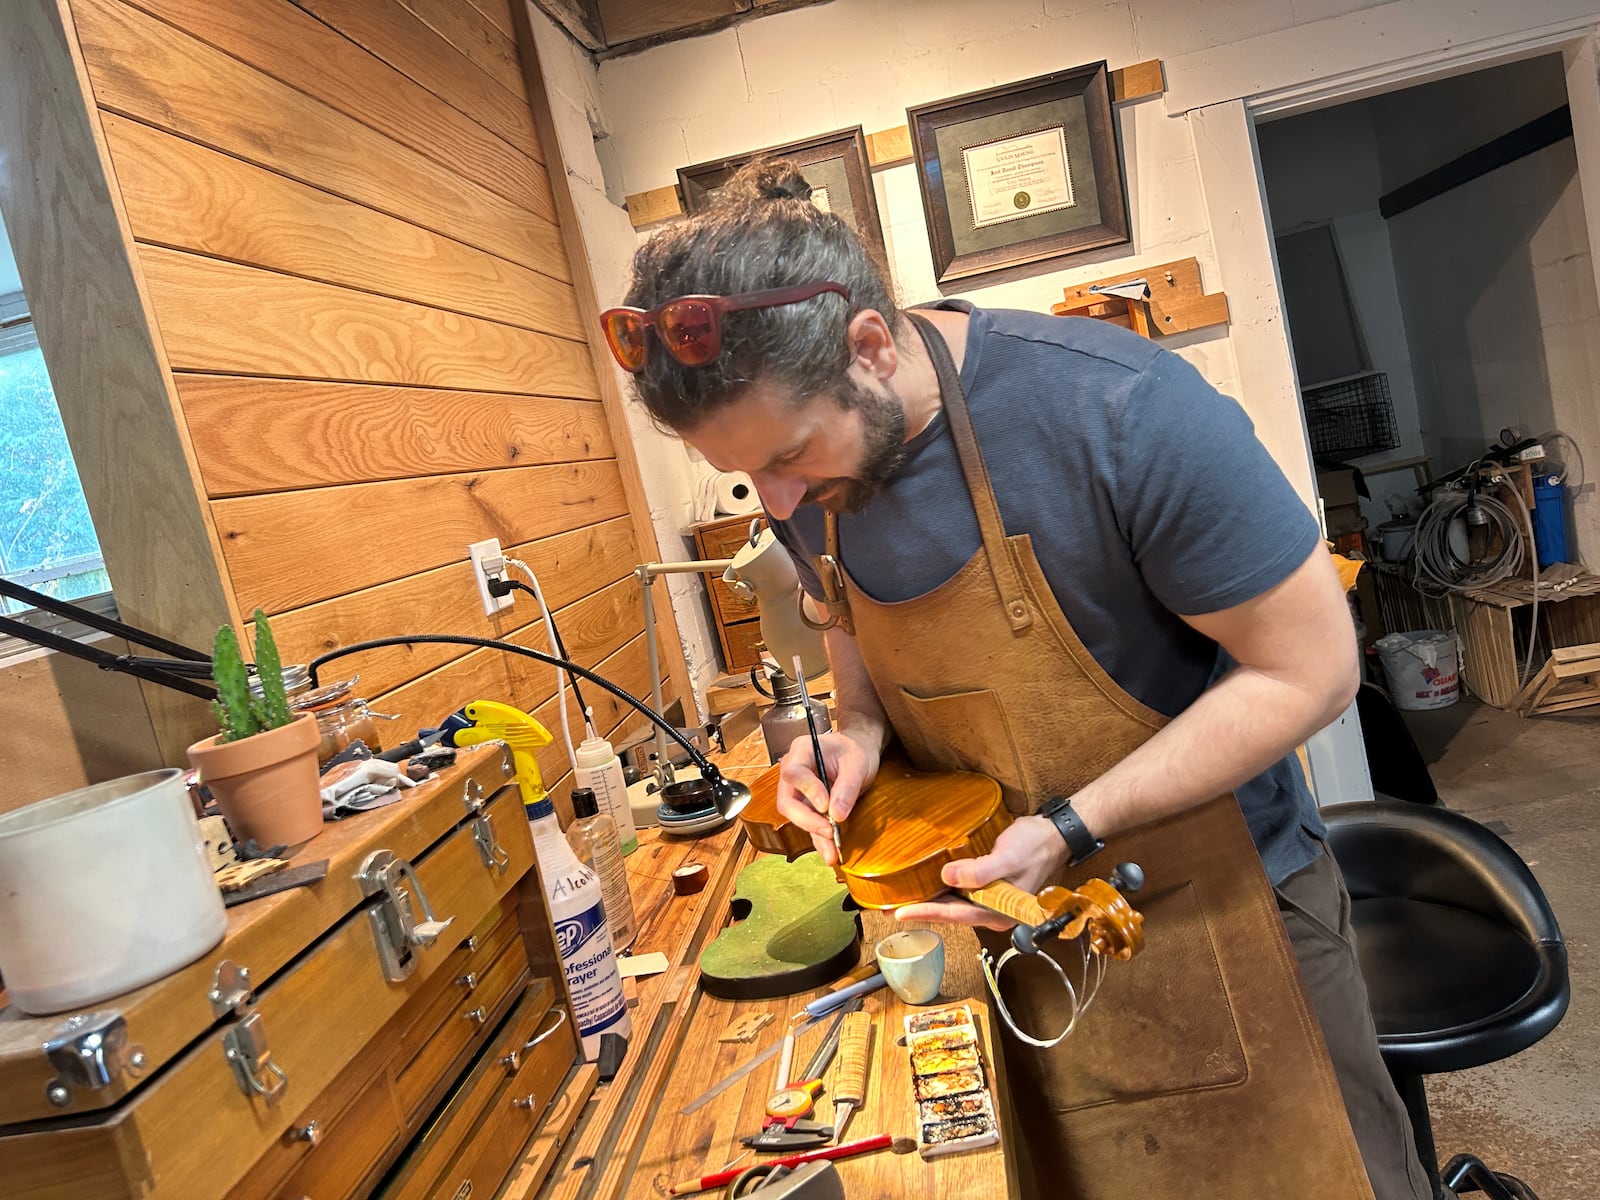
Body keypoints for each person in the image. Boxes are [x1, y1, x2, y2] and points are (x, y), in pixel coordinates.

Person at [600, 160, 1431, 1200]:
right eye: (744, 472)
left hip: (1217, 909)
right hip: (1003, 933)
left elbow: (1308, 672)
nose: (776, 498)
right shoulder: (798, 476)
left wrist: (1070, 827)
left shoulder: (1120, 411)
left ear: (869, 345)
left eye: (791, 456)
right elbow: (852, 651)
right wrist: (851, 740)